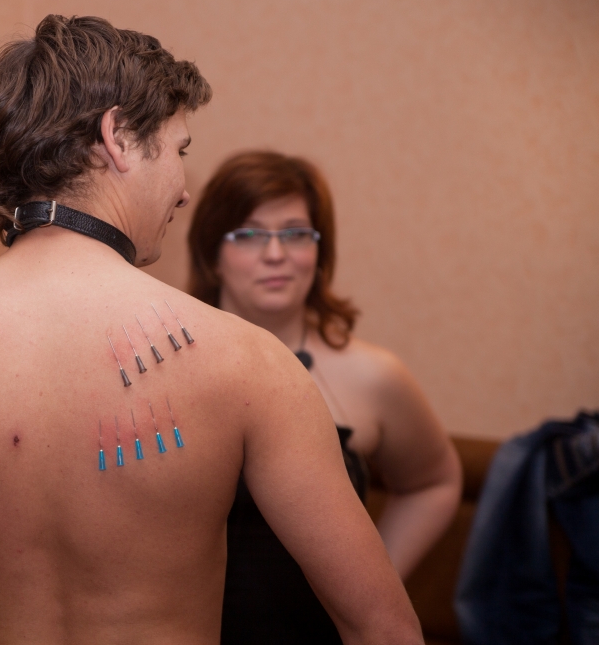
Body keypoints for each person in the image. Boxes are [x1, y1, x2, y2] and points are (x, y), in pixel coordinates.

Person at [0, 17, 423, 645]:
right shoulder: (249, 364)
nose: (185, 187)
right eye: (179, 149)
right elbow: (383, 628)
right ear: (118, 138)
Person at [188, 150, 462, 643]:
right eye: (250, 235)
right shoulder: (173, 368)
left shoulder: (372, 375)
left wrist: (371, 588)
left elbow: (434, 481)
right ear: (212, 254)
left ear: (321, 252)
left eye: (296, 233)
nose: (276, 254)